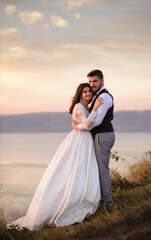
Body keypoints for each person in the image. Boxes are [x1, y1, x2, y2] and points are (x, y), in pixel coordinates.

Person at [7, 83, 103, 231]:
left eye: (89, 91)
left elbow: (85, 124)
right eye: (85, 92)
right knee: (73, 170)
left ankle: (84, 197)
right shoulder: (79, 106)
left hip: (84, 140)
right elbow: (88, 124)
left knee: (84, 170)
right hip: (78, 141)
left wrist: (79, 124)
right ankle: (69, 202)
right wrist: (95, 109)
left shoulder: (86, 107)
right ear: (80, 94)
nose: (88, 94)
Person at [72, 70, 115, 208]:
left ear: (102, 80)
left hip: (103, 135)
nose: (92, 85)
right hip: (99, 135)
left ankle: (107, 203)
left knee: (102, 170)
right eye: (90, 82)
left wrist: (78, 126)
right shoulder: (95, 97)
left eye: (95, 81)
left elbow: (95, 122)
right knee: (96, 169)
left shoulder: (104, 97)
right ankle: (100, 199)